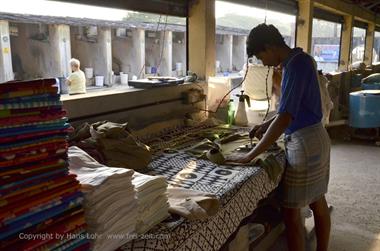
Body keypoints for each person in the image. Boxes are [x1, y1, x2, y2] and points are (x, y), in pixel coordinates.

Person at [226, 24, 331, 251]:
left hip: (305, 144)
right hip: (317, 137)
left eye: (261, 56)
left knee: (291, 214)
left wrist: (252, 154)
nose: (263, 63)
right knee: (318, 201)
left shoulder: (295, 66)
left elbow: (285, 117)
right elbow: (292, 108)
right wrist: (265, 124)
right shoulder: (301, 60)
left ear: (270, 47)